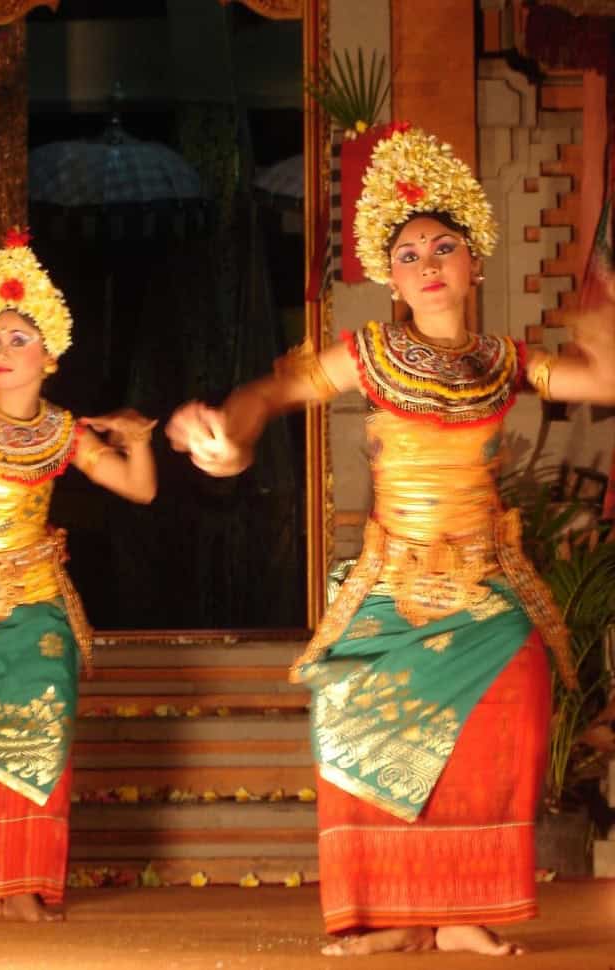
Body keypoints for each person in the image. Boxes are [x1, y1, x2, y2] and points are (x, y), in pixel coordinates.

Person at [166, 124, 615, 956]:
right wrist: (227, 431)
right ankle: (392, 912)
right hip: (391, 581)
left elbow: (602, 378)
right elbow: (272, 392)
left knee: (512, 703)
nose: (429, 262)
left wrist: (605, 317)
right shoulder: (368, 354)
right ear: (391, 279)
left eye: (445, 246)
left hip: (485, 583)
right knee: (348, 713)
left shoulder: (505, 361)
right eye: (409, 254)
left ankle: (460, 911)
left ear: (475, 262)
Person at [0, 228, 157, 922]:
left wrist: (137, 439)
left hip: (33, 609)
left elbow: (139, 490)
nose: (1, 352)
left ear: (51, 354)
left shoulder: (64, 434)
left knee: (41, 734)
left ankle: (21, 885)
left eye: (18, 339)